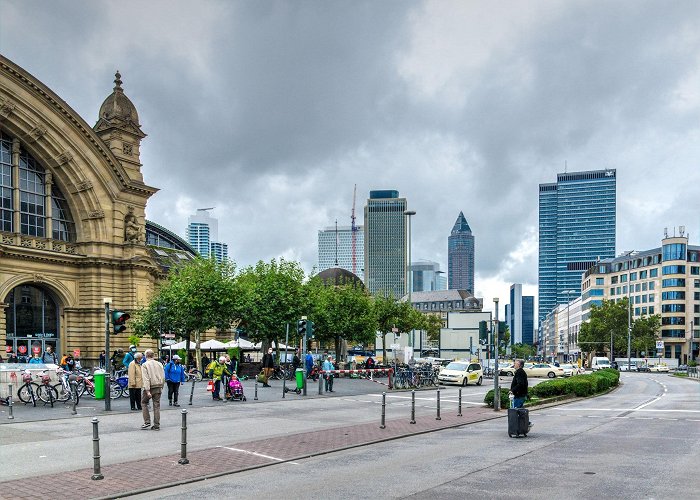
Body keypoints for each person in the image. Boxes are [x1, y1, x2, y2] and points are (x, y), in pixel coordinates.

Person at [141, 349, 165, 430]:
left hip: (150, 386)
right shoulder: (159, 364)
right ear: (153, 355)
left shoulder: (144, 365)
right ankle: (156, 424)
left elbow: (146, 378)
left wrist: (147, 390)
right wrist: (162, 386)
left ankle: (147, 421)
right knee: (156, 405)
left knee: (144, 402)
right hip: (158, 386)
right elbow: (163, 376)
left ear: (146, 355)